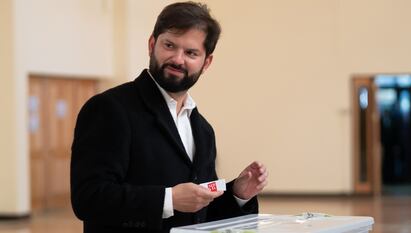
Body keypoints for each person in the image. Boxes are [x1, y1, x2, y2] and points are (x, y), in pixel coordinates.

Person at [70, 2, 268, 233]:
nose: (177, 59)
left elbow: (200, 215)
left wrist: (238, 194)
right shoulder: (109, 108)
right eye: (169, 45)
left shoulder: (203, 130)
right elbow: (88, 198)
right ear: (152, 44)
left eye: (191, 53)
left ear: (206, 62)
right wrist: (169, 199)